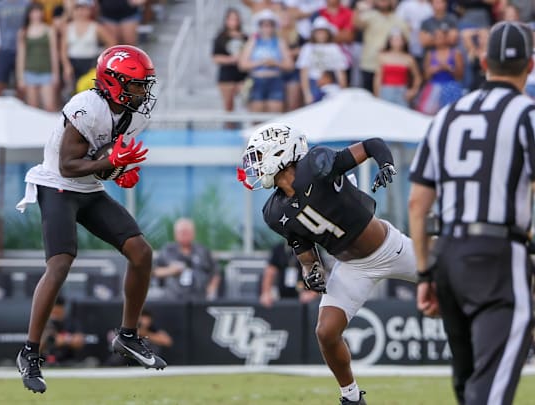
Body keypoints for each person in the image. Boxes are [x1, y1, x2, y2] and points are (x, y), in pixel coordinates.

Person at [14, 44, 165, 394]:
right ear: (114, 83)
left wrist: (118, 171)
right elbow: (69, 164)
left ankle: (127, 336)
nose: (143, 92)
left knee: (142, 252)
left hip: (88, 188)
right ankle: (30, 352)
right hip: (57, 185)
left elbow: (103, 159)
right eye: (137, 84)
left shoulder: (133, 114)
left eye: (145, 84)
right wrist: (110, 166)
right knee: (61, 263)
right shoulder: (87, 107)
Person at [237, 123, 416, 404]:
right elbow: (305, 251)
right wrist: (311, 272)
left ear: (281, 152)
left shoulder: (317, 164)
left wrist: (386, 165)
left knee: (452, 279)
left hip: (390, 248)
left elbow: (372, 144)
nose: (256, 167)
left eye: (260, 157)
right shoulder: (274, 212)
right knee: (326, 331)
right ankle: (351, 396)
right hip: (353, 267)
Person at [409, 21, 535, 405]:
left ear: (483, 62)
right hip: (498, 254)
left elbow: (418, 202)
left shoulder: (446, 116)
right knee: (490, 388)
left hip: (448, 254)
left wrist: (426, 271)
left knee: (468, 384)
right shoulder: (527, 114)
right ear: (530, 66)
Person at [153, 218, 221, 301]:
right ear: (175, 234)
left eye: (187, 232)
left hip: (199, 300)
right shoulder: (167, 251)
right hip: (172, 300)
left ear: (193, 233)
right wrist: (170, 270)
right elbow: (154, 271)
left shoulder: (202, 251)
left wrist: (212, 289)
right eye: (181, 232)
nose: (184, 234)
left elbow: (215, 271)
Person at [238, 9, 293, 113]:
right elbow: (242, 65)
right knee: (257, 117)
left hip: (275, 81)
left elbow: (289, 65)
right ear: (259, 26)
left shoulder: (279, 42)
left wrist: (275, 63)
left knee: (274, 116)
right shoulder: (253, 41)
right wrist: (261, 62)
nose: (267, 28)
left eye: (269, 25)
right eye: (264, 25)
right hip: (257, 81)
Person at [354, 0, 409, 93]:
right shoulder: (369, 16)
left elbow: (406, 40)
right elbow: (356, 24)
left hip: (389, 68)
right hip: (369, 64)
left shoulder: (399, 20)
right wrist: (357, 10)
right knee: (367, 97)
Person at [61, 0, 115, 93]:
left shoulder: (96, 27)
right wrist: (66, 66)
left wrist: (103, 58)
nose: (81, 12)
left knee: (90, 91)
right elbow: (63, 49)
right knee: (74, 92)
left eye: (84, 8)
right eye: (78, 8)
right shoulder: (68, 27)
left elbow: (112, 42)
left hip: (90, 63)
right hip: (73, 63)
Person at [16, 2, 60, 111]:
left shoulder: (49, 30)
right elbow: (20, 56)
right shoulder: (23, 32)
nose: (36, 14)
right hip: (29, 72)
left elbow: (54, 53)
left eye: (39, 11)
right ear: (29, 14)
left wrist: (56, 74)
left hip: (47, 72)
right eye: (34, 12)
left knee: (50, 106)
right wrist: (20, 77)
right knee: (32, 108)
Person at [296, 16, 348, 105]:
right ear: (314, 33)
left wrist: (343, 90)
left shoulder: (334, 48)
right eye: (318, 32)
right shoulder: (307, 48)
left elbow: (340, 71)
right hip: (314, 82)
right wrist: (307, 93)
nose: (321, 35)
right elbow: (304, 72)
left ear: (328, 33)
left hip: (331, 83)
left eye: (323, 32)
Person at [416, 24, 464, 115]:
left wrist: (449, 69)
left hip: (451, 88)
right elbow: (426, 76)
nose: (438, 39)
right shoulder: (430, 54)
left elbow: (460, 76)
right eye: (436, 37)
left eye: (441, 37)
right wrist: (432, 70)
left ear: (446, 38)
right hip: (433, 87)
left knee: (450, 114)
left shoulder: (455, 53)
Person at [260, 242, 320, 307]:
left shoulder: (310, 248)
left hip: (304, 296)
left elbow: (318, 272)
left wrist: (312, 293)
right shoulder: (279, 248)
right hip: (282, 294)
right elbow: (270, 272)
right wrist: (266, 293)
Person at [0, 0, 30, 96]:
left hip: (22, 49)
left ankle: (20, 109)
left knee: (21, 84)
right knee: (0, 83)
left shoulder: (27, 4)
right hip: (3, 49)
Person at [212, 8, 248, 115]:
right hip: (227, 75)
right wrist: (231, 59)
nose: (234, 22)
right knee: (228, 106)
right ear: (226, 20)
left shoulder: (245, 37)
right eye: (232, 19)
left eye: (236, 19)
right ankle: (229, 129)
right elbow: (215, 57)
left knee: (245, 103)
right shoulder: (221, 37)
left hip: (242, 74)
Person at [374, 29, 422, 107]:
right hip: (386, 90)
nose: (397, 42)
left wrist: (413, 91)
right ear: (390, 41)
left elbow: (417, 77)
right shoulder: (382, 57)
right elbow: (378, 78)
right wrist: (377, 95)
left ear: (403, 41)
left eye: (399, 39)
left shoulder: (409, 58)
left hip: (402, 91)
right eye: (394, 39)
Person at [41, 296, 86, 366]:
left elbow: (79, 341)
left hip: (68, 361)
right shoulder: (43, 323)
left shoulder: (71, 322)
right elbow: (36, 346)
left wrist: (65, 339)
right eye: (53, 311)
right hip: (46, 361)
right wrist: (49, 338)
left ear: (63, 309)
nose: (55, 314)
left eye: (58, 311)